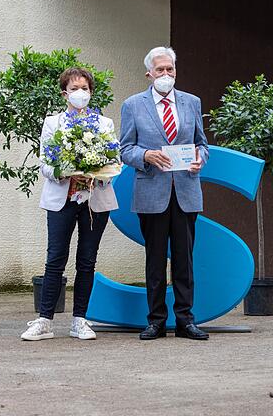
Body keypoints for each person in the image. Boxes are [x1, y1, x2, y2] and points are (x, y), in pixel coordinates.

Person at [20, 67, 118, 341]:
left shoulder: (104, 125)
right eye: (74, 89)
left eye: (85, 88)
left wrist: (96, 170)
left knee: (87, 260)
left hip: (94, 201)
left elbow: (114, 160)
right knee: (55, 259)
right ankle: (45, 320)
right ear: (65, 93)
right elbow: (45, 165)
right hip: (61, 199)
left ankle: (80, 320)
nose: (80, 94)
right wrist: (65, 170)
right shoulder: (53, 123)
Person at [119, 46, 210, 340]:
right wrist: (146, 156)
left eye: (170, 69)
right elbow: (125, 149)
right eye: (160, 70)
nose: (166, 74)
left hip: (185, 190)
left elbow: (202, 144)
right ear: (149, 73)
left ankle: (185, 320)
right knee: (155, 260)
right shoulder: (133, 105)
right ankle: (156, 321)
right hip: (152, 193)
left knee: (184, 260)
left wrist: (200, 159)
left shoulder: (191, 102)